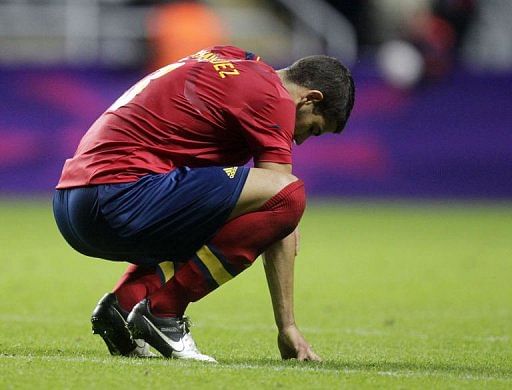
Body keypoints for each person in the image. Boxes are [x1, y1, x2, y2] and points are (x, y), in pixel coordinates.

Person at [53, 46, 355, 362]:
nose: (301, 140)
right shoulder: (274, 98)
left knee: (229, 208)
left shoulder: (232, 58)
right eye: (314, 129)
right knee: (289, 198)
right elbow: (282, 201)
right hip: (119, 196)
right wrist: (287, 325)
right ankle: (164, 313)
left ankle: (125, 304)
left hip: (74, 201)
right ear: (310, 98)